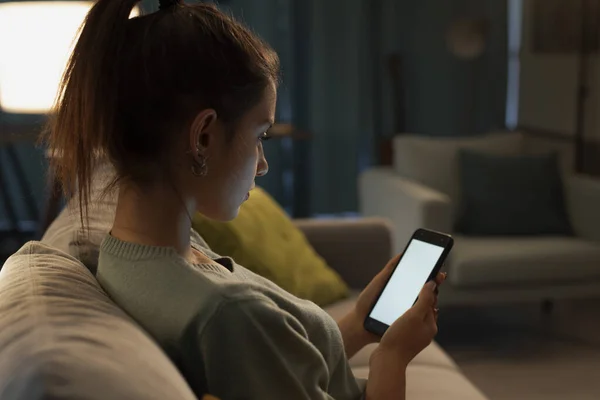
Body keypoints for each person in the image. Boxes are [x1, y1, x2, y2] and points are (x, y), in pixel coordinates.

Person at [42, 0, 445, 399]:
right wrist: (393, 355)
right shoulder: (227, 312)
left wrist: (360, 322)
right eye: (260, 136)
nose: (263, 164)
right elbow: (252, 339)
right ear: (203, 137)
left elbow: (272, 366)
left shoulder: (128, 253)